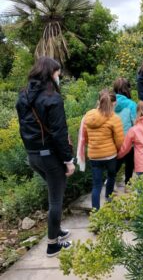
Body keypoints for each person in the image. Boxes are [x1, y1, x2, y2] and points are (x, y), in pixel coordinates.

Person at [16, 57, 75, 257]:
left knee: (54, 194)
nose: (60, 77)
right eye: (58, 73)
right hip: (50, 157)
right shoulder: (52, 98)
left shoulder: (23, 95)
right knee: (56, 200)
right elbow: (59, 133)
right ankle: (52, 245)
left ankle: (56, 231)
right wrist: (68, 161)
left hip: (33, 156)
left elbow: (23, 128)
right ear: (50, 73)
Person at [77, 90, 124, 210]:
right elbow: (119, 141)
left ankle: (95, 211)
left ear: (99, 101)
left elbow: (86, 136)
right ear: (113, 104)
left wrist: (93, 145)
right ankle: (108, 199)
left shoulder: (88, 116)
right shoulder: (114, 118)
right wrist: (118, 151)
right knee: (111, 176)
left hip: (94, 156)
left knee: (96, 185)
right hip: (110, 156)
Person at [113, 78, 137, 187]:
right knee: (129, 161)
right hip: (128, 139)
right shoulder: (131, 104)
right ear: (127, 89)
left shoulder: (109, 102)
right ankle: (128, 184)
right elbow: (135, 122)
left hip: (113, 138)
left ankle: (110, 183)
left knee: (116, 162)